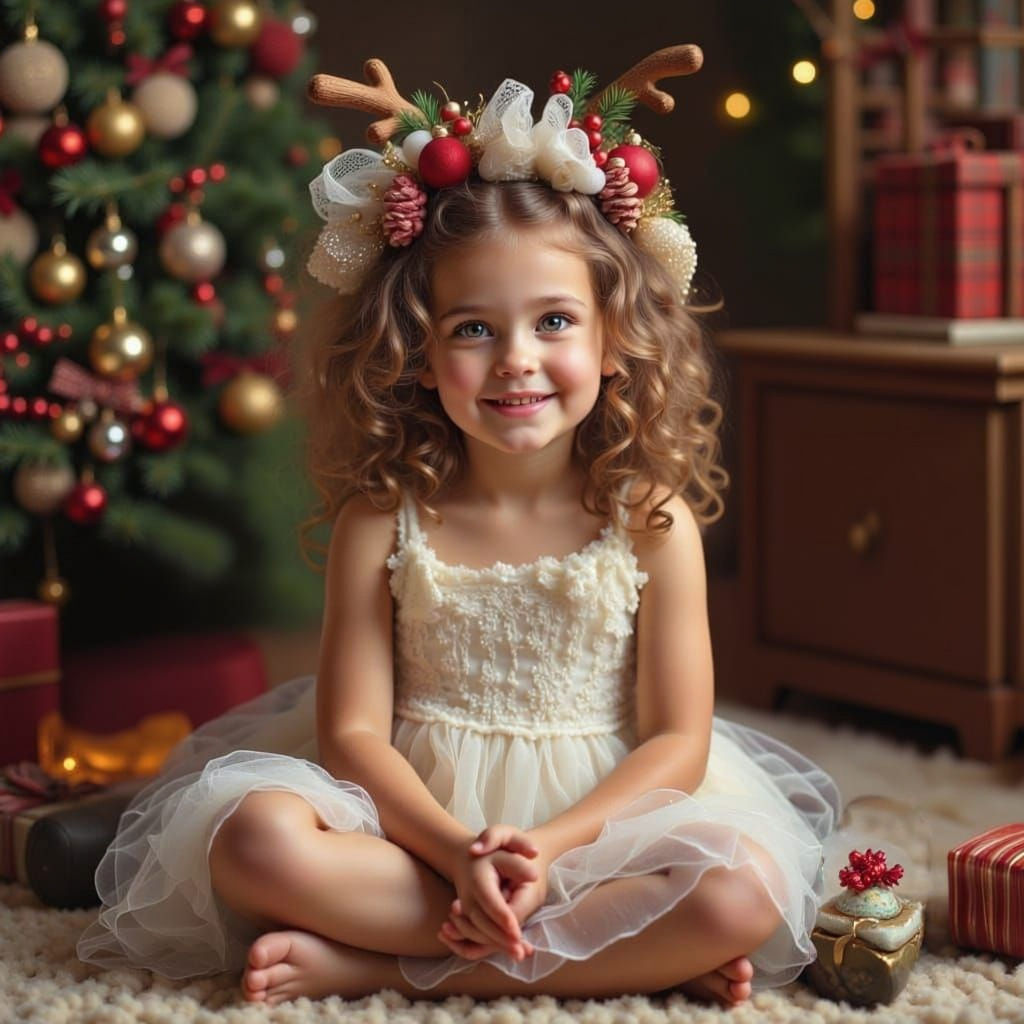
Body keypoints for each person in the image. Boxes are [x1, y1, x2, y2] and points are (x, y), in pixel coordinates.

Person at [77, 53, 841, 1010]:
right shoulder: (384, 518)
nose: (517, 362)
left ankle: (383, 967)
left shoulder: (649, 521)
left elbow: (677, 741)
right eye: (474, 329)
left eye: (554, 321)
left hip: (594, 835)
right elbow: (351, 732)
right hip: (408, 830)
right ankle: (609, 954)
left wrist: (550, 853)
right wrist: (455, 849)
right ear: (418, 352)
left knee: (747, 890)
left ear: (613, 340)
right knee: (253, 841)